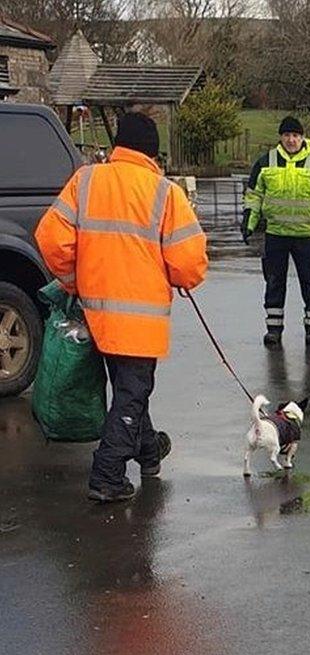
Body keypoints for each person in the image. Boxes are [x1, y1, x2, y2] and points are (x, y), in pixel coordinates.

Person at [35, 112, 208, 502]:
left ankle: (149, 451)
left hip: (94, 312)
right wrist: (182, 279)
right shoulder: (165, 193)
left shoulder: (86, 180)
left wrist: (74, 280)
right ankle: (107, 475)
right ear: (152, 153)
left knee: (129, 389)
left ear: (119, 146)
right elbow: (188, 263)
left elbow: (50, 238)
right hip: (139, 321)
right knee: (131, 393)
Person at [243, 116, 310, 347]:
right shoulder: (266, 162)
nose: (291, 140)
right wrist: (248, 223)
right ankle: (274, 329)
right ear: (280, 137)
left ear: (302, 137)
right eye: (287, 135)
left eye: (295, 135)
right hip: (276, 234)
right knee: (274, 282)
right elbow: (254, 196)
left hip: (305, 236)